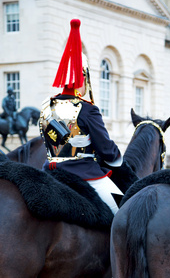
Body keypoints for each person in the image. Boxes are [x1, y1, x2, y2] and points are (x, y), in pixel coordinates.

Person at [39, 19, 123, 215]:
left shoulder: (46, 106)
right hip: (82, 173)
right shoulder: (87, 109)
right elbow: (106, 149)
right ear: (82, 78)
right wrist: (117, 158)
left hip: (49, 171)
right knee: (123, 209)